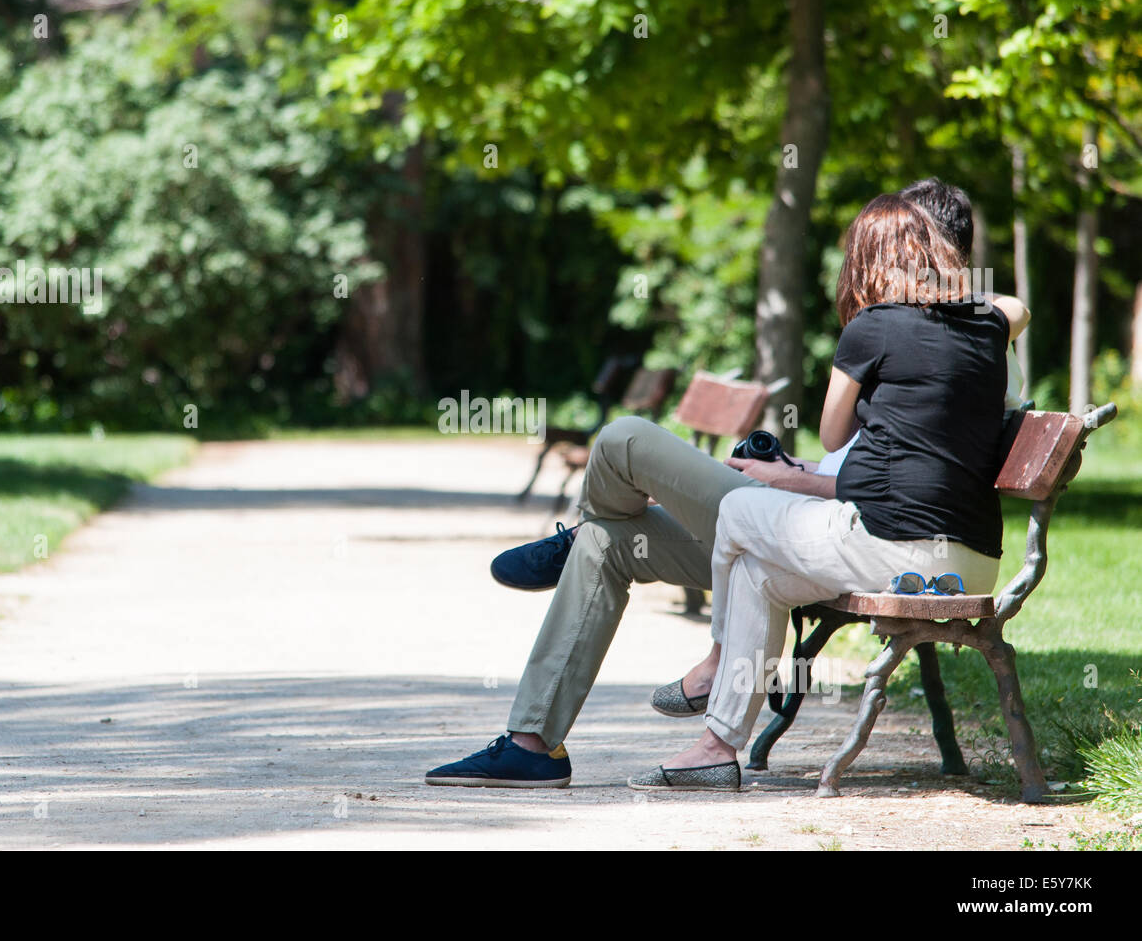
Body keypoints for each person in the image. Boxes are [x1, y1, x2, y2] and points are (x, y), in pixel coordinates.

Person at [424, 182, 1024, 789]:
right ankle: (548, 745)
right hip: (901, 538)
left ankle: (710, 659)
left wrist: (790, 479)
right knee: (606, 544)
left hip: (872, 538)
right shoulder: (988, 331)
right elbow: (905, 454)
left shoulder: (895, 328)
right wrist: (796, 475)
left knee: (626, 440)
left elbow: (882, 458)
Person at [628, 193, 1029, 790]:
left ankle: (715, 663)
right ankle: (717, 746)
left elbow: (832, 433)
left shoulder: (871, 328)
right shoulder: (989, 326)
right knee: (760, 576)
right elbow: (1011, 304)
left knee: (738, 507)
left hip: (899, 551)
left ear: (868, 261)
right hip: (975, 564)